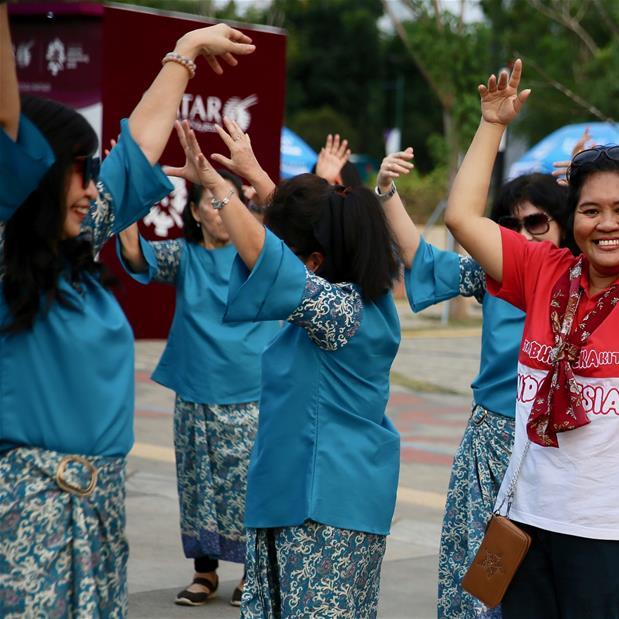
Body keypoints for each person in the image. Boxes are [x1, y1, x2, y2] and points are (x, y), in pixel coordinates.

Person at [0, 9, 255, 616]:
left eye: (94, 175)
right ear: (27, 177)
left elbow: (140, 142)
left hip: (100, 513)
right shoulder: (6, 256)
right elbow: (7, 117)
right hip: (25, 514)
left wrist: (185, 50)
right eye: (77, 174)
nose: (92, 188)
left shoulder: (76, 251)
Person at [443, 57, 619, 618]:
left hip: (608, 534)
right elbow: (462, 218)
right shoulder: (545, 270)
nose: (606, 223)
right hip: (524, 522)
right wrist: (493, 125)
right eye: (590, 210)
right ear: (573, 218)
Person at [168, 118, 402, 617]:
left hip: (322, 509)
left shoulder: (340, 310)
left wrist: (219, 189)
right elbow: (300, 243)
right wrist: (263, 184)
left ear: (314, 261)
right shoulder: (358, 300)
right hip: (305, 501)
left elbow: (270, 258)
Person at [376, 147, 571, 618]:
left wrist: (591, 187)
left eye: (538, 222)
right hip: (490, 442)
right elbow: (421, 259)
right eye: (511, 224)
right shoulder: (493, 274)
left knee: (553, 579)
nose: (523, 235)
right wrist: (385, 191)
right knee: (481, 577)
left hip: (560, 448)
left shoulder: (589, 279)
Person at [118, 155, 281, 606]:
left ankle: (254, 572)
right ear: (194, 213)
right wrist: (127, 187)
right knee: (196, 483)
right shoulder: (184, 255)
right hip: (194, 392)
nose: (218, 207)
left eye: (224, 199)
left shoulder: (256, 254)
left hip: (249, 391)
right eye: (209, 200)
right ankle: (204, 573)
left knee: (249, 484)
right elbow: (135, 254)